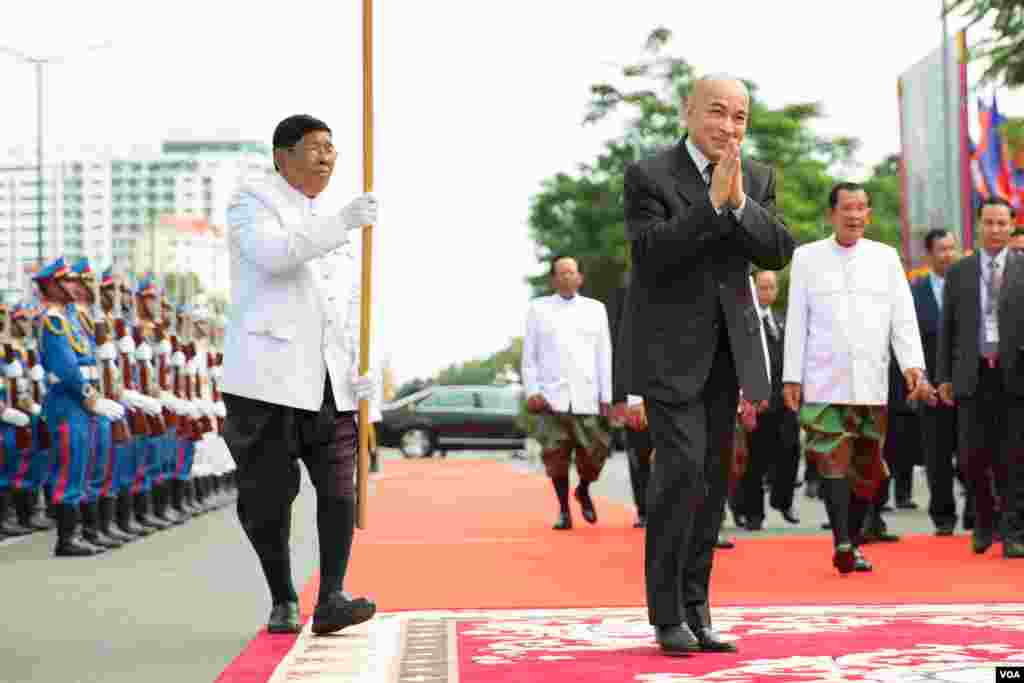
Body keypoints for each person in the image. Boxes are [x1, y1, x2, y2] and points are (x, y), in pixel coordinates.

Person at [622, 73, 794, 655]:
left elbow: (776, 250)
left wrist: (740, 202)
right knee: (681, 473)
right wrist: (711, 203)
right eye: (717, 112)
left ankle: (698, 608)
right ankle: (666, 612)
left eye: (740, 116)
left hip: (730, 355)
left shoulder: (759, 177)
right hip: (669, 355)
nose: (729, 126)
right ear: (688, 111)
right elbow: (651, 256)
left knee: (714, 482)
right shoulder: (649, 175)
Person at [222, 114, 381, 635]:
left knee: (340, 490)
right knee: (269, 499)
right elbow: (275, 256)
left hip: (330, 380)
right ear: (281, 156)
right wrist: (341, 224)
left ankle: (331, 595)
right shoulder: (253, 202)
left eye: (332, 149)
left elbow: (350, 307)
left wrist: (365, 373)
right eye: (314, 147)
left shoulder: (336, 219)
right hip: (268, 378)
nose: (327, 157)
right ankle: (282, 596)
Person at [783, 182, 930, 575]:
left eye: (861, 208)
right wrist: (791, 376)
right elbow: (797, 320)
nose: (855, 215)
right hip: (822, 380)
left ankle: (853, 536)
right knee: (831, 459)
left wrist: (912, 364)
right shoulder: (807, 258)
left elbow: (902, 316)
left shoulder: (885, 258)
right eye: (848, 207)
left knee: (867, 470)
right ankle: (843, 542)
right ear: (832, 214)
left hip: (871, 380)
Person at [936, 197, 1024, 558]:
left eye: (1002, 223)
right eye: (989, 223)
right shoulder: (960, 272)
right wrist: (943, 376)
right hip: (971, 377)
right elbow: (948, 329)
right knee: (972, 458)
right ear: (978, 225)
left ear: (1012, 225)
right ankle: (984, 521)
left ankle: (1014, 532)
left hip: (1015, 377)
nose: (996, 230)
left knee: (1014, 459)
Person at [35, 257, 126, 556]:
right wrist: (92, 398)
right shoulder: (54, 320)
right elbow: (66, 367)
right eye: (68, 281)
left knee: (90, 466)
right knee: (70, 469)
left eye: (74, 280)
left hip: (87, 401)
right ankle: (66, 539)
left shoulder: (73, 317)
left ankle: (89, 530)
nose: (74, 286)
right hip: (69, 401)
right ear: (52, 286)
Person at [522, 255, 613, 530]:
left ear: (580, 278)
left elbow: (604, 354)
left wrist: (607, 396)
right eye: (561, 273)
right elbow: (530, 356)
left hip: (587, 395)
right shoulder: (538, 309)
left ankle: (583, 489)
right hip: (552, 397)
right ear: (553, 279)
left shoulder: (596, 309)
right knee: (555, 455)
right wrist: (532, 391)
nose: (566, 277)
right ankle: (563, 511)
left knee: (595, 453)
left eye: (571, 272)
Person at [738, 270, 801, 529]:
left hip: (783, 400)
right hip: (756, 401)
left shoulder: (782, 321)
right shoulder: (745, 323)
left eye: (771, 287)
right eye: (762, 287)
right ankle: (754, 514)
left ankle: (782, 498)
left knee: (791, 449)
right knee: (754, 460)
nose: (767, 292)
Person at [913, 229, 961, 535]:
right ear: (929, 255)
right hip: (931, 389)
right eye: (941, 250)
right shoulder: (914, 292)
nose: (948, 255)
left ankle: (980, 513)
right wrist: (922, 381)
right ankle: (943, 517)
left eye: (951, 249)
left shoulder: (968, 286)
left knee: (974, 456)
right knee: (937, 458)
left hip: (967, 387)